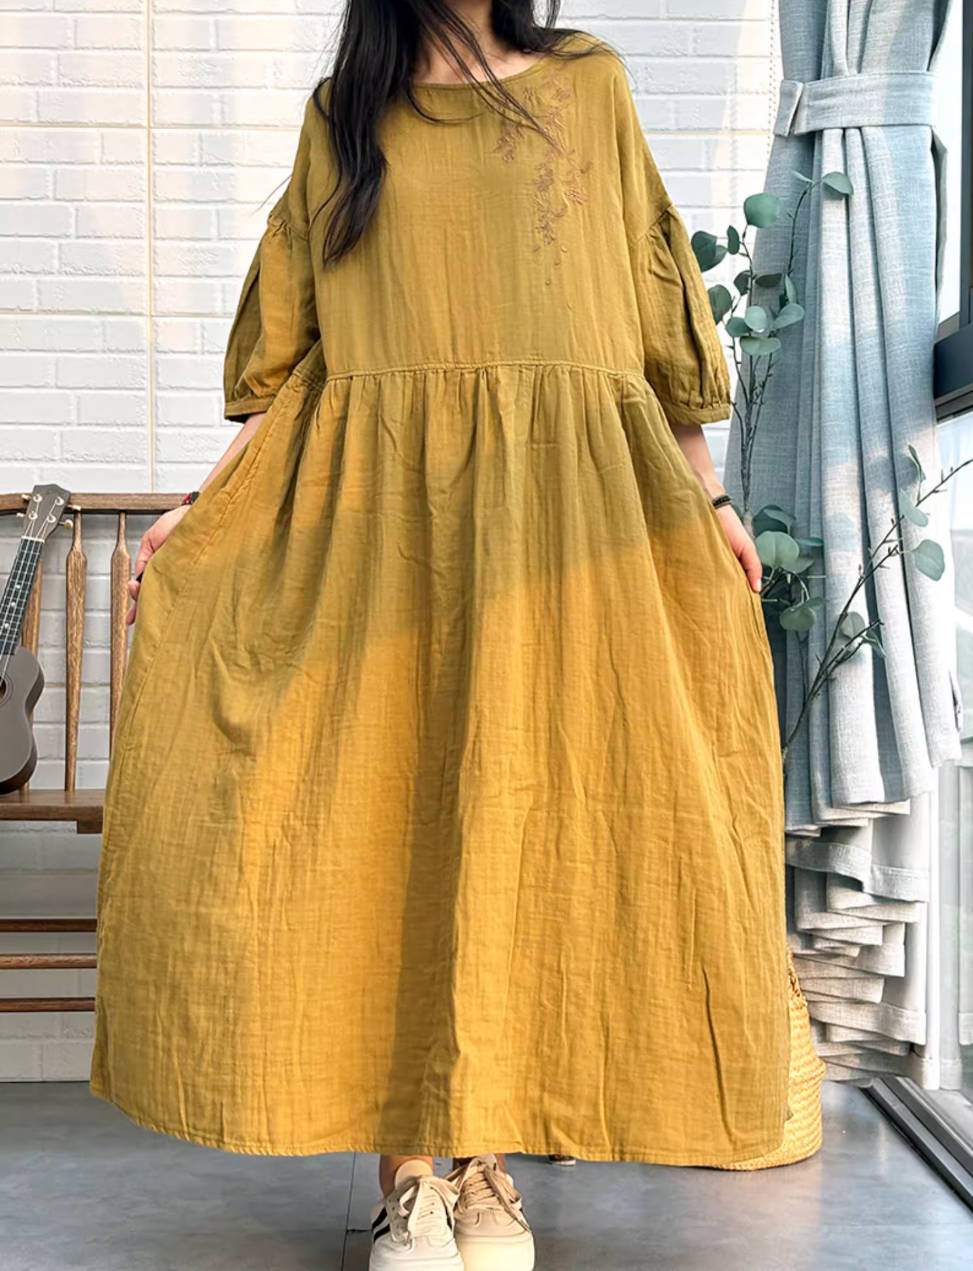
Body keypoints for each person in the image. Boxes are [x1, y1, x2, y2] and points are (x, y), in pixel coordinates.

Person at [89, 5, 790, 1269]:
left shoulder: (588, 84)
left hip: (561, 517)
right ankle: (408, 1170)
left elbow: (646, 311)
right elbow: (290, 365)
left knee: (528, 825)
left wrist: (712, 497)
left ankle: (487, 1165)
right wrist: (202, 508)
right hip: (381, 523)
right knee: (387, 827)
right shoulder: (343, 118)